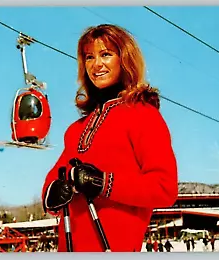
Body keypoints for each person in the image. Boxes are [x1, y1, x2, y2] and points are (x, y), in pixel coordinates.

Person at [41, 24, 178, 252]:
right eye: (89, 57)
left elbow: (164, 188)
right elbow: (54, 179)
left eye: (106, 54)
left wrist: (104, 183)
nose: (96, 64)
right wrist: (53, 193)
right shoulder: (76, 129)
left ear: (124, 59)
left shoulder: (143, 115)